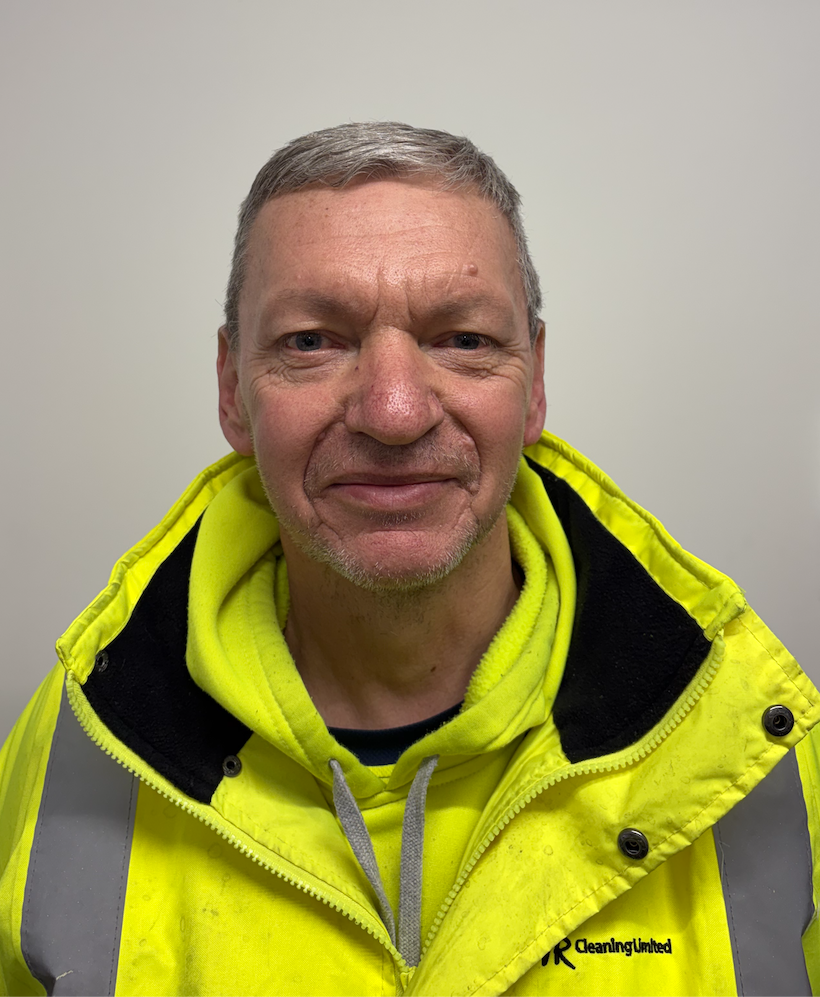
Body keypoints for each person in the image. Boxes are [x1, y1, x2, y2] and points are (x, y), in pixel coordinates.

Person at [0, 122, 817, 997]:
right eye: (313, 340)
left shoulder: (753, 742)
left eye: (463, 339)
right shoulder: (81, 742)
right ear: (232, 388)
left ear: (535, 382)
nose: (394, 412)